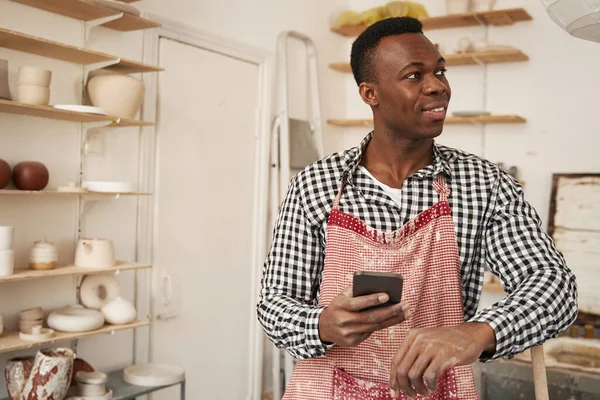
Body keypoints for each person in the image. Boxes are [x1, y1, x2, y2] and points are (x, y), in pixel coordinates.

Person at [257, 16, 578, 400]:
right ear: (370, 93)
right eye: (414, 76)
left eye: (440, 71)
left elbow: (554, 286)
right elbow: (274, 305)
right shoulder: (316, 185)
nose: (438, 86)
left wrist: (478, 332)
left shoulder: (484, 184)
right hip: (326, 388)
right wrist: (322, 324)